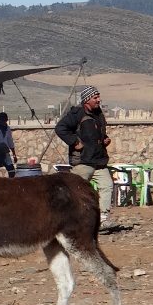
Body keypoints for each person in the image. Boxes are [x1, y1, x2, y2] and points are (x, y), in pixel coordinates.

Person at [55, 86, 114, 226]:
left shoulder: (98, 113)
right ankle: (69, 220)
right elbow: (60, 128)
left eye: (98, 97)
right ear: (87, 100)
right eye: (95, 97)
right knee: (76, 191)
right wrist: (74, 142)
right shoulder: (77, 114)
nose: (98, 100)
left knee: (107, 186)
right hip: (83, 161)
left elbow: (97, 132)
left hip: (99, 160)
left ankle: (103, 219)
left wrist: (104, 139)